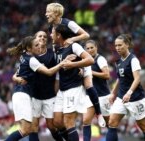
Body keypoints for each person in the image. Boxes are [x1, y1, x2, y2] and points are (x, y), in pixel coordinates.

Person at [45, 2, 102, 130]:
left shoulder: (68, 23)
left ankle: (98, 112)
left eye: (48, 11)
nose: (46, 14)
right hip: (65, 59)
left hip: (79, 57)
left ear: (56, 13)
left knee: (88, 84)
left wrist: (72, 40)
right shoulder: (51, 28)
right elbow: (56, 44)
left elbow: (86, 35)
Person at [5, 36, 63, 141]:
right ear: (29, 48)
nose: (39, 46)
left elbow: (16, 74)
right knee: (25, 130)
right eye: (36, 45)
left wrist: (15, 78)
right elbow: (49, 72)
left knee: (30, 128)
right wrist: (62, 63)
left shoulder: (24, 56)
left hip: (21, 94)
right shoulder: (32, 60)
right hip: (22, 95)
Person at [51, 24, 94, 141]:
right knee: (57, 122)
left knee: (69, 121)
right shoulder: (58, 50)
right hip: (62, 89)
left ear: (59, 35)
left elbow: (90, 59)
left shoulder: (74, 46)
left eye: (52, 33)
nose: (51, 35)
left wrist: (73, 65)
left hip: (74, 88)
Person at [106, 34, 145, 141]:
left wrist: (129, 92)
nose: (117, 48)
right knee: (112, 122)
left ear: (127, 45)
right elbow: (120, 78)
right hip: (121, 97)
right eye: (116, 45)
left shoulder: (133, 60)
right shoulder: (118, 61)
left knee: (143, 126)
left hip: (135, 98)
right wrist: (113, 92)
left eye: (120, 45)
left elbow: (137, 79)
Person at [82, 40, 111, 141]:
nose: (90, 50)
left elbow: (107, 75)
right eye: (88, 48)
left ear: (96, 47)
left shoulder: (100, 59)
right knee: (86, 120)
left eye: (92, 48)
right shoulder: (84, 60)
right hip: (90, 95)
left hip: (103, 95)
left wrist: (91, 72)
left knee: (109, 123)